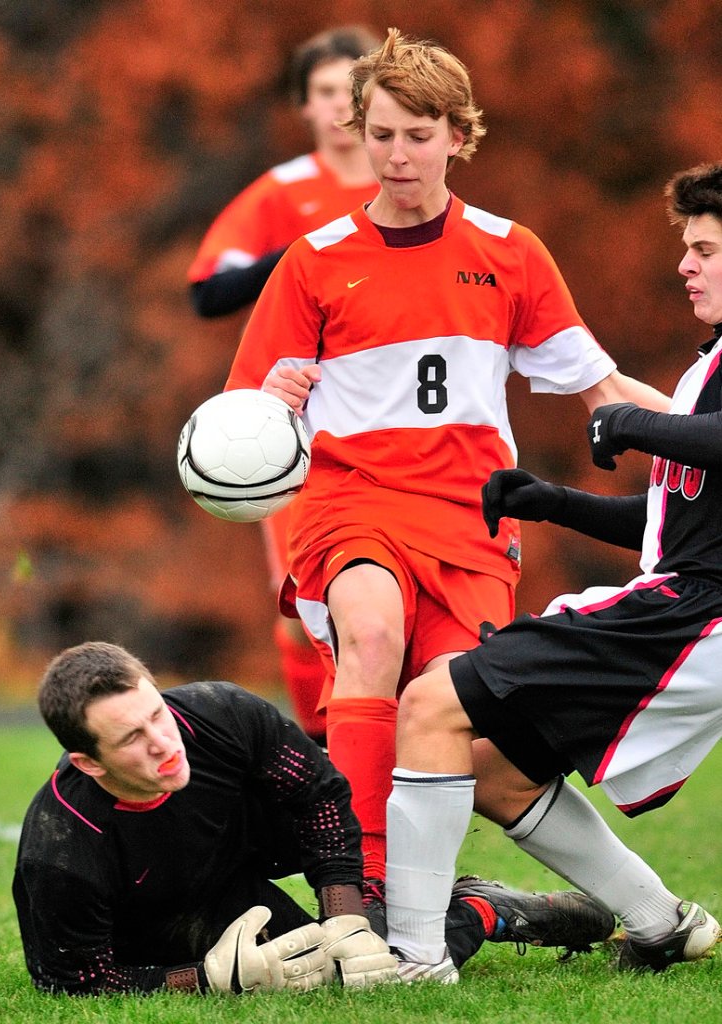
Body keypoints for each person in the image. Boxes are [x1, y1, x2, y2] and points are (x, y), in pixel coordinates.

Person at [223, 28, 670, 908]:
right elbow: (240, 425)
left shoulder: (510, 252)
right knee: (373, 637)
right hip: (350, 504)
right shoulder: (312, 262)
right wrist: (274, 398)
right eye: (380, 134)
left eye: (417, 136)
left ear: (459, 137)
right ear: (358, 130)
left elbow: (603, 390)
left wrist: (704, 432)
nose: (396, 156)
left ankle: (518, 911)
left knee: (447, 724)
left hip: (468, 523)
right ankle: (356, 900)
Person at [384, 160, 722, 979]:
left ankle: (414, 959)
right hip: (683, 606)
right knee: (494, 773)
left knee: (431, 705)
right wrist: (551, 501)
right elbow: (672, 522)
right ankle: (662, 925)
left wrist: (629, 419)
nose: (685, 264)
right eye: (688, 248)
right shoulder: (709, 365)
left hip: (692, 616)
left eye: (706, 249)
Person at [12, 641, 612, 994]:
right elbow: (76, 982)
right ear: (88, 763)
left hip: (257, 843)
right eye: (132, 739)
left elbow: (321, 798)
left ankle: (396, 908)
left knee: (364, 948)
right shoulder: (60, 853)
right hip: (173, 914)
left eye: (156, 715)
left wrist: (344, 916)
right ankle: (483, 910)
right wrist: (204, 979)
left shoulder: (223, 714)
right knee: (332, 978)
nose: (164, 743)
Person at [188, 26, 382, 747]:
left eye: (350, 91)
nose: (338, 107)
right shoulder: (287, 191)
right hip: (296, 424)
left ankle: (391, 751)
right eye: (324, 91)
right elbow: (208, 291)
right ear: (302, 104)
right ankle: (320, 757)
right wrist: (300, 252)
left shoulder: (409, 186)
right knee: (303, 610)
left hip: (388, 423)